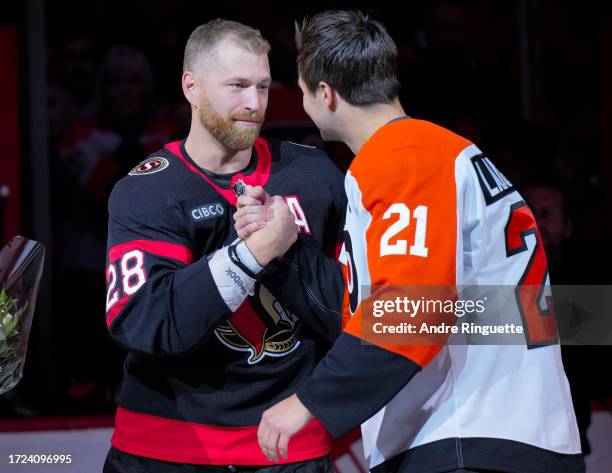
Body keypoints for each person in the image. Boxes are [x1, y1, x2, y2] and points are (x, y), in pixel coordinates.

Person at [253, 10, 584, 473]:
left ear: (325, 93)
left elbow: (415, 308)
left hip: (469, 436)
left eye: (303, 91)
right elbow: (386, 309)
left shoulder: (402, 156)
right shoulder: (435, 153)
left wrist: (309, 400)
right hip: (498, 433)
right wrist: (286, 247)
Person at [103, 19, 345, 472]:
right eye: (236, 86)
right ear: (190, 86)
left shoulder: (314, 176)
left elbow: (353, 313)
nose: (254, 104)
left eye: (264, 87)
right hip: (166, 452)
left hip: (290, 451)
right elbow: (147, 323)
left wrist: (287, 251)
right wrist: (251, 255)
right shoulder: (148, 190)